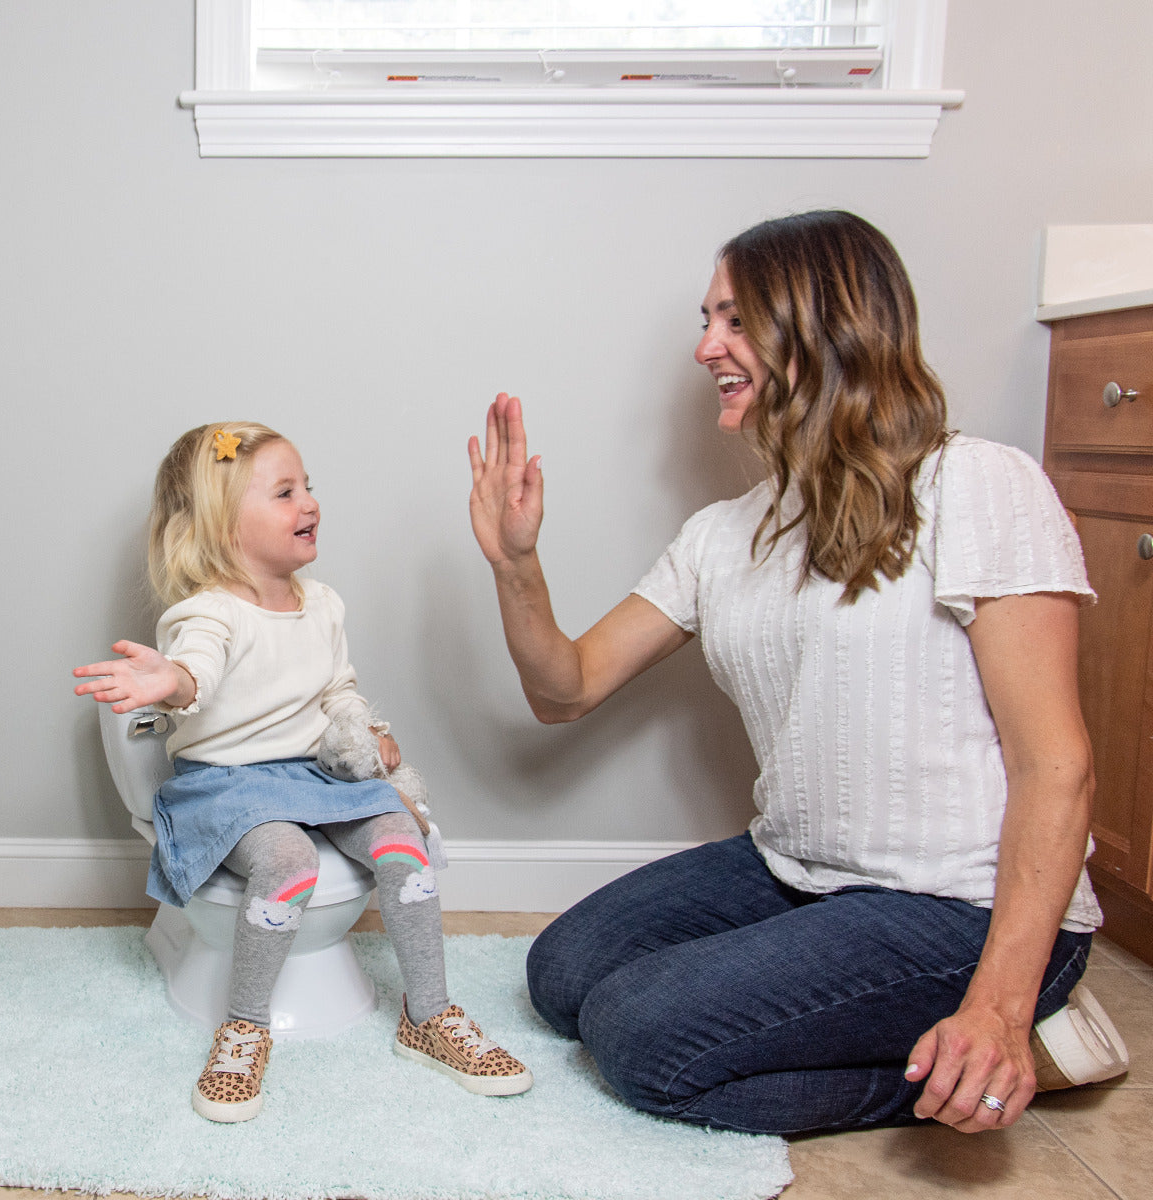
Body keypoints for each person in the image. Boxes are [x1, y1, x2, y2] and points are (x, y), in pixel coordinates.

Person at [467, 210, 1127, 1137]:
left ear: (825, 323)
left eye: (735, 320)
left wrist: (998, 1006)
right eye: (708, 320)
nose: (706, 348)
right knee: (564, 976)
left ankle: (1024, 1049)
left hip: (961, 904)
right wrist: (514, 565)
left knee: (639, 1037)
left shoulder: (975, 485)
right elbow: (565, 689)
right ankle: (914, 1034)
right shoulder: (725, 533)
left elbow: (1057, 766)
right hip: (796, 868)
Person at [74, 421, 531, 1123]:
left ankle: (429, 1014)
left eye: (307, 487)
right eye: (285, 493)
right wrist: (170, 680)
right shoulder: (208, 614)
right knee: (288, 865)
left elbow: (337, 690)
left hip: (312, 774)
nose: (309, 503)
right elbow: (197, 673)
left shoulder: (323, 605)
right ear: (225, 527)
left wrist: (366, 733)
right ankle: (246, 1025)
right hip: (227, 784)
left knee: (402, 839)